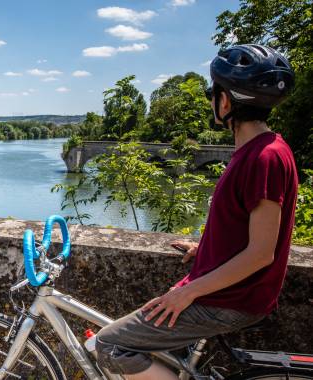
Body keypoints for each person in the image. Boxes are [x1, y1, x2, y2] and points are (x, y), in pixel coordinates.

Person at [95, 44, 298, 379]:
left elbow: (261, 253)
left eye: (212, 93)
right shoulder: (266, 150)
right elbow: (244, 229)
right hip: (227, 292)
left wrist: (187, 293)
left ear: (227, 101)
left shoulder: (263, 158)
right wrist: (205, 249)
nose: (211, 101)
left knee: (111, 345)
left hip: (229, 300)